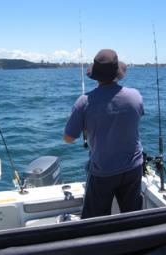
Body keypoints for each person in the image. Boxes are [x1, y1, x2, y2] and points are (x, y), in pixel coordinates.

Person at [64, 49, 144, 219]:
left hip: (103, 171)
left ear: (96, 75)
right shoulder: (135, 96)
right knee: (133, 216)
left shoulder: (83, 102)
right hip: (133, 167)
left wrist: (86, 124)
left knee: (95, 221)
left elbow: (69, 138)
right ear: (117, 72)